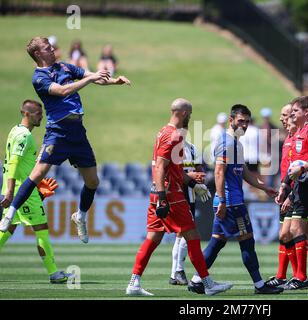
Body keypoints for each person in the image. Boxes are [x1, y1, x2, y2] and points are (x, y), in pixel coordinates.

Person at [0, 37, 131, 245]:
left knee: (93, 182)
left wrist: (114, 81)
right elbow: (63, 91)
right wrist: (90, 79)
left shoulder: (65, 67)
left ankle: (80, 215)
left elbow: (94, 77)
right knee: (37, 174)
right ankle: (9, 213)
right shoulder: (39, 77)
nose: (52, 49)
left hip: (77, 132)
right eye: (47, 48)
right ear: (38, 54)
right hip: (58, 132)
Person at [126, 98, 232, 296]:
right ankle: (208, 284)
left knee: (153, 238)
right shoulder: (174, 135)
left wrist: (191, 183)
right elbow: (160, 166)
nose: (190, 119)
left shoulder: (162, 132)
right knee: (192, 236)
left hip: (159, 192)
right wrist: (163, 197)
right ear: (183, 113)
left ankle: (134, 282)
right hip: (170, 194)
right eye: (189, 115)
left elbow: (172, 168)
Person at [188, 104, 283, 295]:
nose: (245, 125)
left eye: (247, 121)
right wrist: (222, 200)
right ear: (231, 121)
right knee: (247, 241)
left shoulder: (237, 143)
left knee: (218, 241)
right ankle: (259, 284)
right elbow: (218, 172)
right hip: (231, 203)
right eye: (241, 121)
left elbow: (244, 172)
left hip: (230, 201)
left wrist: (264, 187)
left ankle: (197, 280)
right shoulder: (227, 143)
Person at [0, 100, 72, 283]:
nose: (41, 116)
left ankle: (54, 272)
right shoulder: (25, 136)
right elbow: (14, 163)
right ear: (26, 114)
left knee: (7, 229)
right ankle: (54, 273)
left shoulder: (14, 131)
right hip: (21, 190)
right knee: (41, 229)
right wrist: (10, 192)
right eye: (38, 114)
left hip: (17, 187)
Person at [277, 96, 308, 290]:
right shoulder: (299, 133)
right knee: (303, 231)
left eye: (295, 111)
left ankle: (300, 277)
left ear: (306, 112)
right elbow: (292, 166)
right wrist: (286, 186)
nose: (291, 114)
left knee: (296, 230)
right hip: (299, 184)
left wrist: (302, 169)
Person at [265, 104, 298, 288]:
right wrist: (282, 189)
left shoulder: (299, 139)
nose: (281, 119)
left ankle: (300, 276)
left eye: (284, 115)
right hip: (286, 190)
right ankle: (284, 275)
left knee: (289, 233)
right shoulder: (288, 139)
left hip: (296, 192)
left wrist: (291, 194)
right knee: (284, 234)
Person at [169, 131, 206, 286]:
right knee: (186, 231)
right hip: (176, 193)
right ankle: (177, 270)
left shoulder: (191, 149)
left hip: (189, 193)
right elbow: (173, 172)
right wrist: (192, 176)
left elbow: (199, 169)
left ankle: (174, 273)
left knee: (181, 234)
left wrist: (200, 176)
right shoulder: (171, 148)